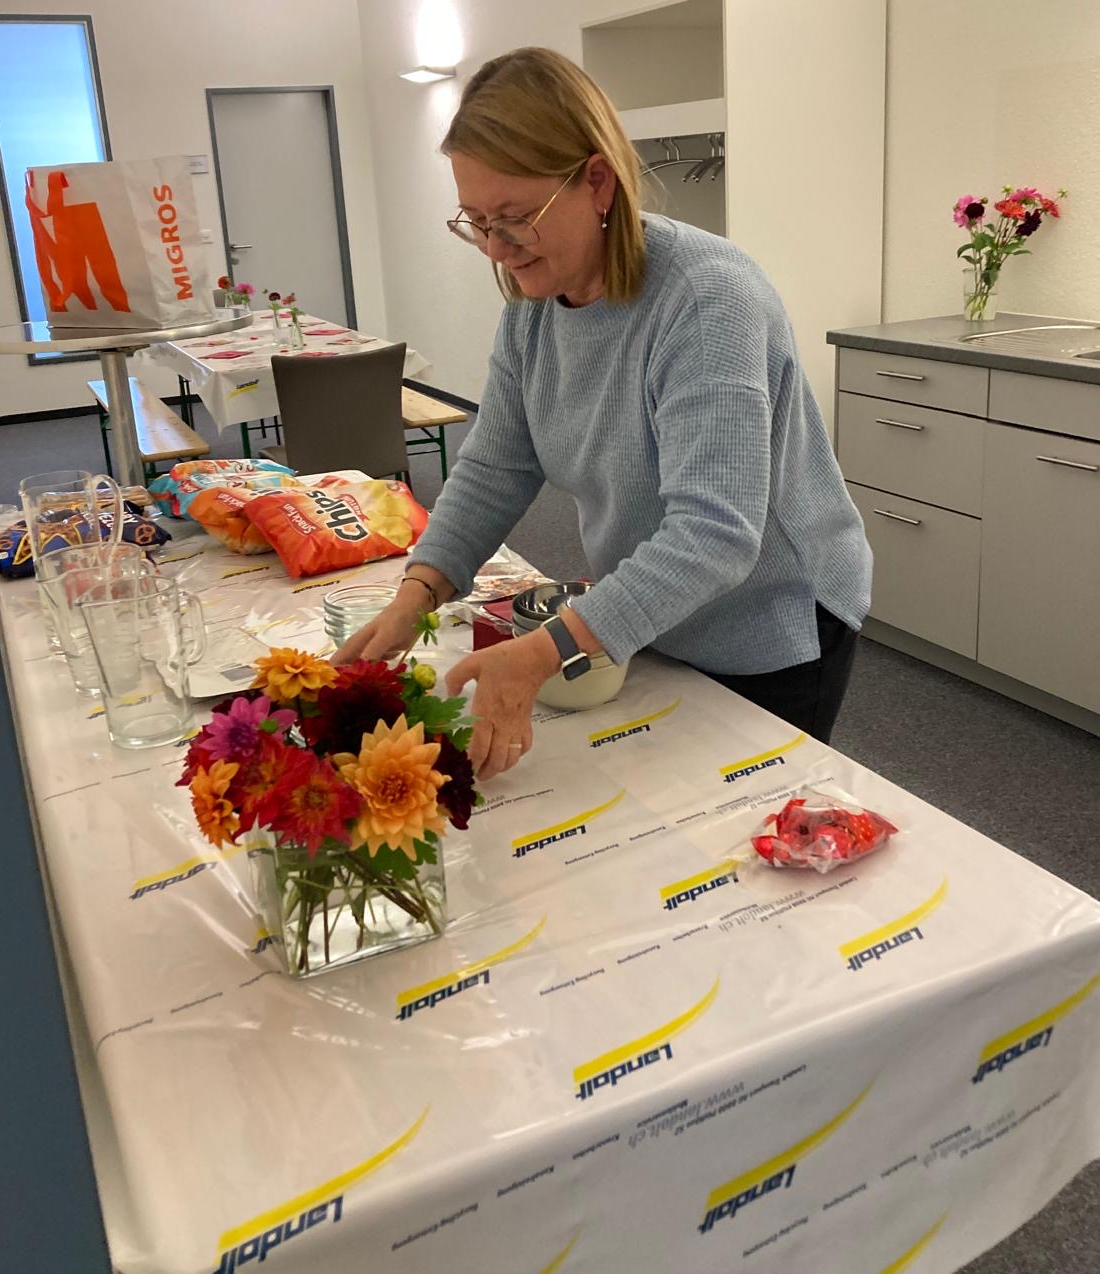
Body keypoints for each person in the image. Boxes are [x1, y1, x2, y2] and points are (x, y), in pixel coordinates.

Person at [334, 47, 871, 779]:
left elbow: (716, 533)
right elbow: (495, 465)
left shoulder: (706, 299)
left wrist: (548, 649)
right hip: (659, 603)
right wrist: (418, 592)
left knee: (745, 817)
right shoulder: (534, 308)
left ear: (596, 181)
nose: (495, 248)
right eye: (477, 221)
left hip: (769, 623)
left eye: (514, 219)